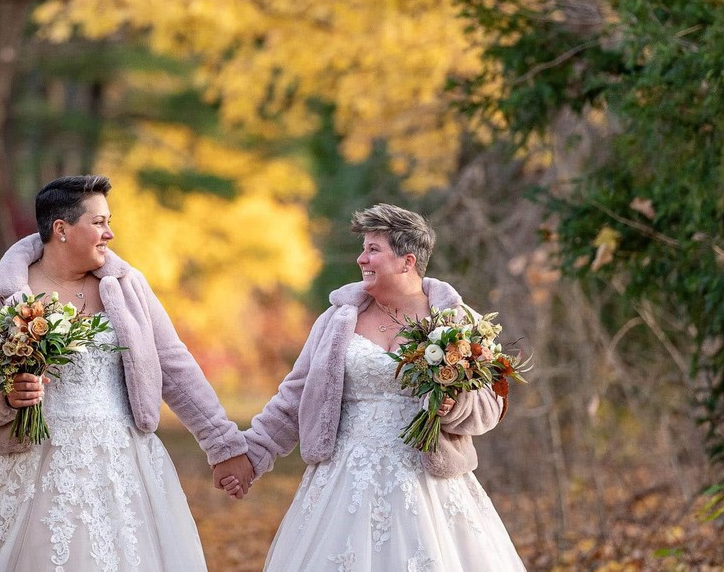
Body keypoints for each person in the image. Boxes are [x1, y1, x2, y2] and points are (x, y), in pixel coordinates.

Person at [0, 174, 254, 571]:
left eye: (109, 221)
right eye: (99, 222)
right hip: (29, 470)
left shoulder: (128, 288)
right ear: (62, 229)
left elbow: (176, 367)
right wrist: (4, 399)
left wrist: (223, 446)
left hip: (121, 469)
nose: (110, 232)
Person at [216, 203, 525, 570]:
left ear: (407, 262)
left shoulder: (459, 322)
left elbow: (490, 407)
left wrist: (453, 407)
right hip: (344, 481)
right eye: (363, 249)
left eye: (373, 250)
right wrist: (250, 457)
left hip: (430, 483)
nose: (362, 259)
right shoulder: (337, 321)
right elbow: (294, 398)